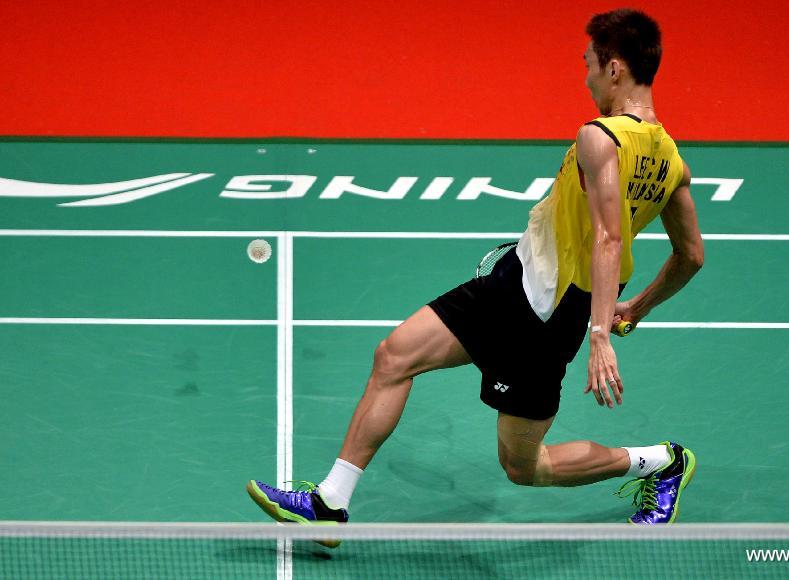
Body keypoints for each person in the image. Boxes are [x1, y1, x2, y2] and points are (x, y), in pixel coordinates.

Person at [248, 8, 704, 538]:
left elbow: (608, 238)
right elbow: (691, 255)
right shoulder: (672, 161)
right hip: (514, 282)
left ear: (616, 68)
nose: (586, 78)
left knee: (523, 467)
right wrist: (638, 308)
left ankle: (661, 462)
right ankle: (330, 502)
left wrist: (601, 331)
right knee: (394, 355)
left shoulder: (599, 137)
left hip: (550, 313)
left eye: (590, 65)